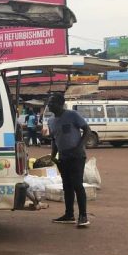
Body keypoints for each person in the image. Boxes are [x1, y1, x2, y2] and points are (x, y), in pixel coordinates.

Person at [47, 93, 91, 227]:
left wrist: (80, 146)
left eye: (52, 102)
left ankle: (83, 216)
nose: (49, 105)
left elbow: (87, 130)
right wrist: (53, 156)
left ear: (60, 104)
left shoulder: (72, 115)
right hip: (63, 157)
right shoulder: (51, 121)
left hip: (77, 156)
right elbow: (54, 140)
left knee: (77, 184)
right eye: (49, 102)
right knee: (67, 187)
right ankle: (69, 214)